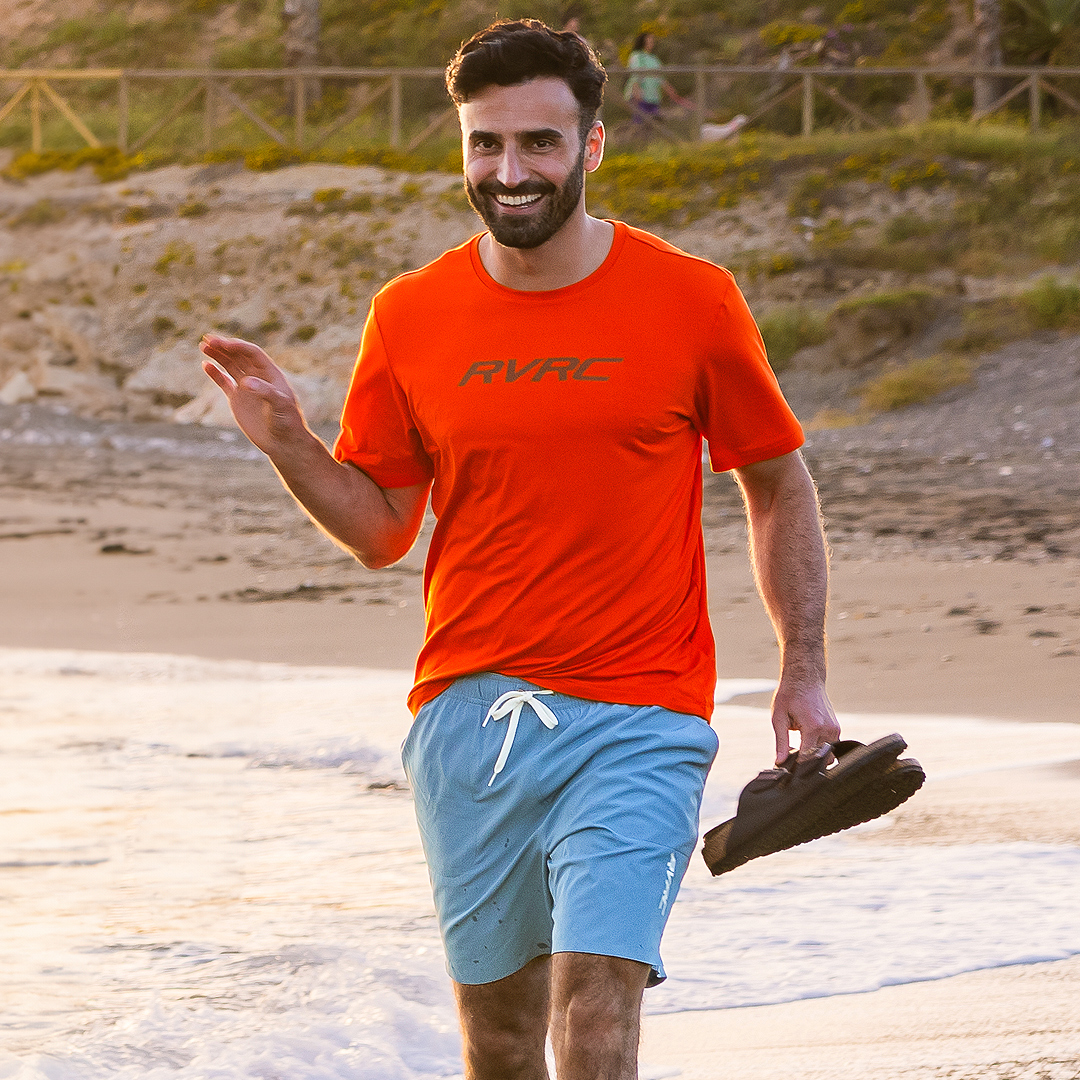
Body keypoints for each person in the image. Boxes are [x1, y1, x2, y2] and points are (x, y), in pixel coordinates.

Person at [200, 18, 840, 1080]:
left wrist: (802, 671)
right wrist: (291, 446)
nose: (510, 171)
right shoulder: (410, 314)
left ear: (593, 145)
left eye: (540, 142)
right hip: (470, 717)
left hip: (643, 714)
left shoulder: (691, 299)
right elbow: (381, 531)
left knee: (594, 1016)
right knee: (498, 1043)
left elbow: (777, 483)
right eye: (485, 143)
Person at [623, 31, 692, 124]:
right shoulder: (637, 56)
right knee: (640, 123)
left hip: (653, 97)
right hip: (641, 97)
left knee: (654, 124)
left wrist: (670, 90)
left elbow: (660, 78)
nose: (652, 42)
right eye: (649, 40)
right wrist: (636, 90)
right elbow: (635, 74)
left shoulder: (654, 59)